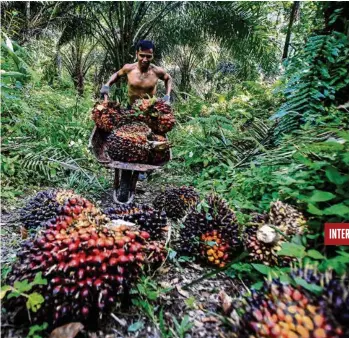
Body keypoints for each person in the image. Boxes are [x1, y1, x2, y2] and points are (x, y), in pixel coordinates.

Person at [100, 40, 172, 105]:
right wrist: (107, 84)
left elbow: (168, 79)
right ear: (137, 53)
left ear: (153, 56)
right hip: (131, 109)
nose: (145, 59)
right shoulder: (128, 68)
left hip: (150, 110)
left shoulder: (157, 71)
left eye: (148, 56)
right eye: (142, 55)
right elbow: (117, 74)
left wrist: (167, 96)